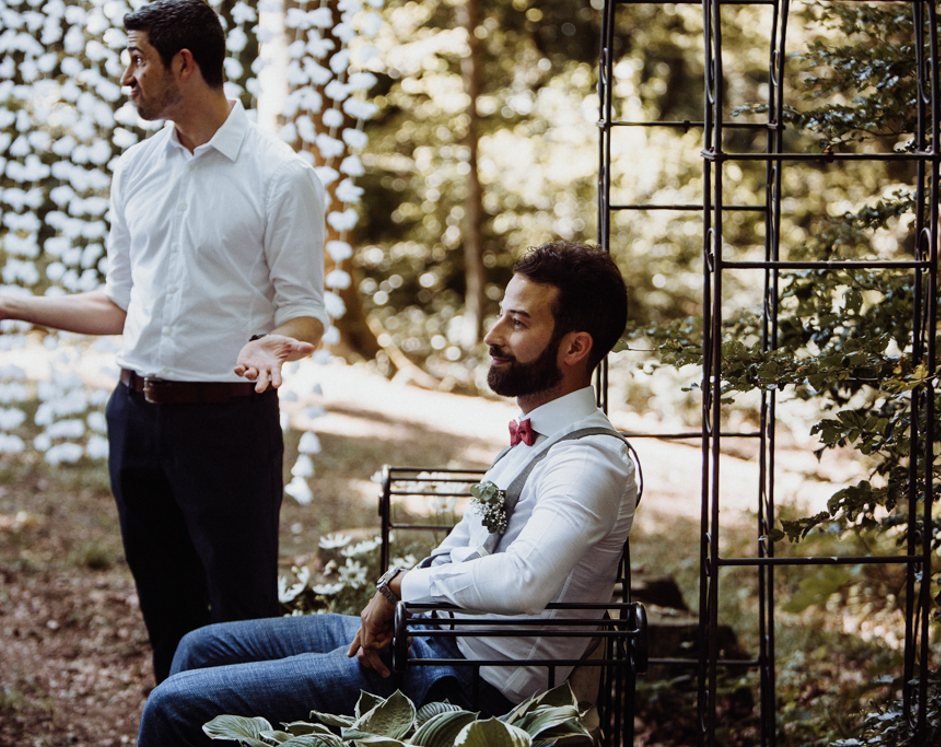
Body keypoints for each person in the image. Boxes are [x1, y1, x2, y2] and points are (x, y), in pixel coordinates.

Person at [0, 0, 328, 683]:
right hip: (135, 419)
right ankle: (175, 722)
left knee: (243, 618)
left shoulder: (281, 176)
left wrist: (274, 345)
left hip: (228, 426)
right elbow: (119, 304)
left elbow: (305, 314)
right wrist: (10, 305)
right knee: (165, 611)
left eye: (138, 59)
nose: (126, 77)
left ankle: (244, 727)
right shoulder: (134, 169)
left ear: (184, 63)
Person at [136, 240, 638, 746]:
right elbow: (466, 546)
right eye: (502, 315)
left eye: (518, 322)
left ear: (575, 348)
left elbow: (524, 580)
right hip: (424, 636)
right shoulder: (539, 438)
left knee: (173, 707)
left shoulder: (588, 462)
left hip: (463, 683)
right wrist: (398, 601)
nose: (493, 335)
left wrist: (400, 588)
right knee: (200, 647)